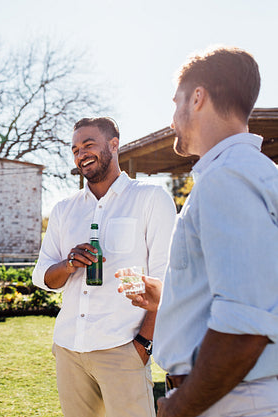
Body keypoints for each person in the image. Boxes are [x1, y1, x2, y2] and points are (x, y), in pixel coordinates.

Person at [122, 46, 278, 417]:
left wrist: (181, 407)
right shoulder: (249, 172)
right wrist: (172, 297)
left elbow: (245, 326)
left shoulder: (227, 178)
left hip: (232, 399)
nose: (172, 118)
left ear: (197, 97)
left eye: (175, 102)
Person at [32, 117, 176, 417]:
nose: (81, 154)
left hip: (123, 347)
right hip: (69, 349)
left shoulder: (150, 199)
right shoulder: (64, 209)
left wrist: (142, 346)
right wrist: (69, 264)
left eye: (88, 145)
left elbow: (167, 280)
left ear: (114, 144)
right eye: (74, 149)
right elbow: (42, 275)